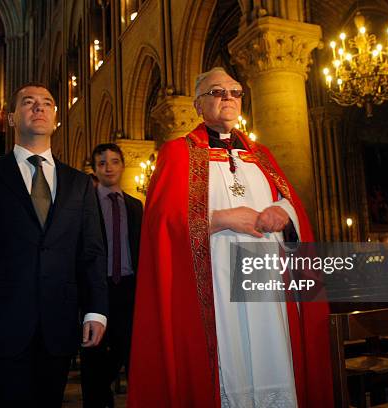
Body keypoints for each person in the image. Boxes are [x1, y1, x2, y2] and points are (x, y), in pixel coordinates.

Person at [127, 67, 333, 408]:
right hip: (215, 287)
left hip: (267, 284)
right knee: (230, 362)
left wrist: (284, 213)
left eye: (235, 92)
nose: (228, 98)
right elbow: (161, 222)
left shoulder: (261, 156)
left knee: (273, 354)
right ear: (198, 105)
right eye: (217, 92)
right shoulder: (178, 153)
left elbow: (292, 206)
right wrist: (220, 219)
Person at [0, 82, 108, 407]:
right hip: (3, 320)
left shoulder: (79, 182)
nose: (39, 108)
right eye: (28, 102)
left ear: (55, 118)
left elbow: (91, 251)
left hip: (60, 320)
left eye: (47, 103)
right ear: (11, 117)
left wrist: (96, 309)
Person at [81, 144, 143, 408]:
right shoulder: (85, 205)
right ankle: (97, 402)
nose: (109, 167)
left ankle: (128, 398)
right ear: (95, 169)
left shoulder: (135, 205)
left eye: (115, 161)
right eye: (103, 163)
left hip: (128, 287)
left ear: (122, 166)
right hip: (97, 288)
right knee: (93, 352)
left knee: (126, 348)